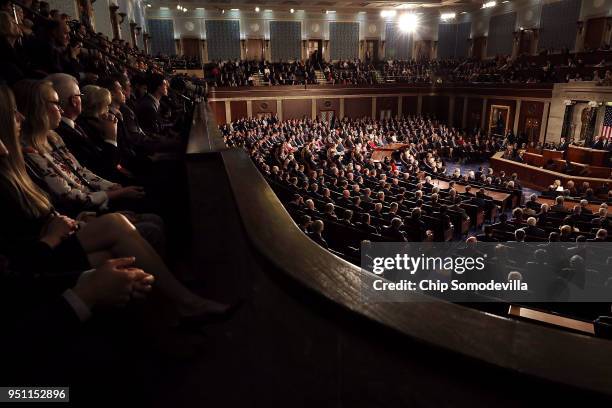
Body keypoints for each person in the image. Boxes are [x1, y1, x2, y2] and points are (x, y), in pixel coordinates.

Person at [0, 84, 229, 322]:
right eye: (13, 112)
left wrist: (103, 197)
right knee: (137, 227)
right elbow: (23, 249)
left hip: (62, 234)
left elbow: (82, 175)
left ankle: (174, 309)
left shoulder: (43, 144)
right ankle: (176, 309)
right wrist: (108, 196)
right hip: (44, 256)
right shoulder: (24, 157)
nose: (20, 117)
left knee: (137, 222)